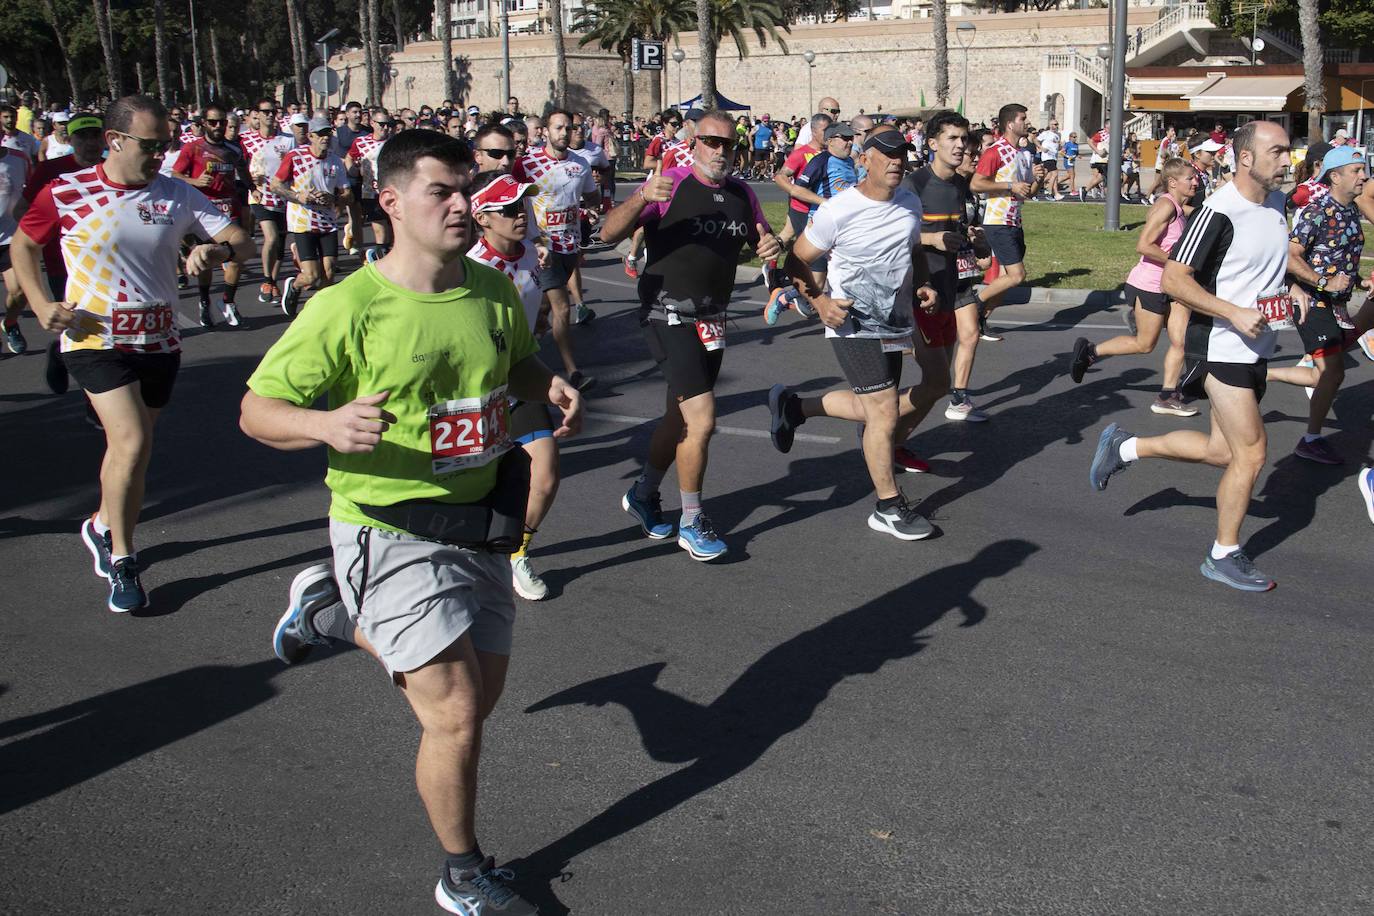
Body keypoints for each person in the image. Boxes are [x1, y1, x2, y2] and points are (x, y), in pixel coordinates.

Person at [244, 128, 576, 916]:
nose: (465, 205)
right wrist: (323, 427)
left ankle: (326, 612)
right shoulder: (349, 305)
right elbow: (256, 409)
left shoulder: (492, 289)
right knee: (455, 712)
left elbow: (515, 361)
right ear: (391, 202)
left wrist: (548, 383)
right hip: (386, 525)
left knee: (475, 705)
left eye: (470, 189)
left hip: (481, 518)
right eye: (444, 192)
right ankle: (462, 872)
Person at [11, 94, 251, 612]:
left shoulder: (177, 195)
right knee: (132, 440)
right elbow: (24, 246)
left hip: (160, 341)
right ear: (115, 140)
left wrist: (217, 249)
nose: (160, 154)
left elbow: (240, 238)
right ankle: (123, 558)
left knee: (133, 452)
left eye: (165, 144)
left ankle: (101, 524)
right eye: (150, 145)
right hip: (93, 338)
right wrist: (39, 302)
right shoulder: (67, 191)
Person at [1088, 120, 1297, 592]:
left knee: (1221, 452)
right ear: (1245, 158)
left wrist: (1301, 287)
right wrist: (1233, 313)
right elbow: (1175, 280)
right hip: (1221, 346)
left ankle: (1123, 447)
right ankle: (1224, 553)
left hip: (1257, 344)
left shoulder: (1277, 203)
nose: (1288, 160)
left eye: (1289, 151)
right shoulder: (1217, 212)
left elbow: (1271, 259)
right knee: (1253, 453)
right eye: (1278, 151)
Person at [601, 110, 780, 561]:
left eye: (729, 144)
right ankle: (692, 519)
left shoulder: (741, 193)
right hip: (666, 315)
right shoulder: (672, 183)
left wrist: (772, 247)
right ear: (694, 142)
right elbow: (606, 234)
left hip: (712, 321)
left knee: (678, 419)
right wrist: (642, 196)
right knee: (702, 419)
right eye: (711, 142)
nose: (721, 151)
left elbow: (765, 238)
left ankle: (643, 494)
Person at [767, 127, 938, 541]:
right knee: (883, 412)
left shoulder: (910, 203)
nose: (897, 161)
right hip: (852, 322)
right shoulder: (839, 209)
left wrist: (922, 284)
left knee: (877, 410)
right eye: (887, 154)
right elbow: (797, 261)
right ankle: (887, 506)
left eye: (902, 154)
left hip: (894, 322)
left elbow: (912, 249)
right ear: (865, 159)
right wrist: (821, 303)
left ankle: (796, 408)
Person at [466, 171, 561, 600]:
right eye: (506, 209)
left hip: (521, 378)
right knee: (473, 484)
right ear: (482, 217)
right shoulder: (470, 269)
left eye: (521, 206)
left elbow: (533, 314)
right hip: (474, 392)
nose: (517, 215)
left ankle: (517, 551)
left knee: (545, 474)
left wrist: (538, 321)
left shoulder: (529, 256)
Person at [896, 110, 991, 472]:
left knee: (936, 382)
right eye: (951, 138)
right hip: (918, 292)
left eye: (963, 139)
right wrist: (931, 238)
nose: (960, 145)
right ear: (932, 143)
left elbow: (962, 232)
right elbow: (892, 234)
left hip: (950, 291)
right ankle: (878, 428)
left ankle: (895, 442)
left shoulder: (959, 186)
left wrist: (975, 244)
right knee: (936, 382)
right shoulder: (914, 185)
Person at [1069, 157, 1198, 417]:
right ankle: (1091, 351)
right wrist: (1178, 262)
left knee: (1180, 340)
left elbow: (1197, 214)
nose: (1196, 181)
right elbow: (1144, 245)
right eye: (1190, 178)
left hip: (1173, 285)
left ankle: (1167, 396)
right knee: (1144, 344)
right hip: (1149, 284)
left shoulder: (1178, 207)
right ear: (1172, 182)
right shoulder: (1166, 207)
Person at [1264, 146, 1367, 464]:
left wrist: (1359, 280)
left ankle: (1258, 372)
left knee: (1325, 375)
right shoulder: (1318, 208)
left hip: (1336, 304)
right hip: (1311, 300)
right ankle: (1311, 439)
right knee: (1332, 373)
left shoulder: (1350, 209)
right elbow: (1290, 255)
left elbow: (1339, 253)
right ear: (1335, 177)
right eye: (1356, 171)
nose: (1364, 176)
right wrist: (1322, 283)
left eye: (1364, 170)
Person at [511, 109, 600, 391]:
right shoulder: (526, 164)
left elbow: (590, 195)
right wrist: (530, 237)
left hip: (569, 245)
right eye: (558, 128)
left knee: (544, 309)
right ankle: (572, 372)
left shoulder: (580, 164)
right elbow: (511, 198)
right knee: (562, 308)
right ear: (545, 132)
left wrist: (591, 210)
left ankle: (526, 343)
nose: (564, 133)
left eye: (568, 128)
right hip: (541, 248)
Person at [21, 111, 107, 394]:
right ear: (70, 139)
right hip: (63, 263)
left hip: (107, 263)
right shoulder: (50, 171)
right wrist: (40, 236)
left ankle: (98, 396)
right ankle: (62, 357)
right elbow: (22, 210)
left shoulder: (112, 169)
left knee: (101, 333)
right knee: (81, 328)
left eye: (95, 135)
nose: (90, 142)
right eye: (82, 136)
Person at [969, 103, 1044, 357]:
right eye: (1023, 118)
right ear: (1010, 123)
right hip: (997, 220)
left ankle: (980, 321)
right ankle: (975, 305)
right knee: (1017, 275)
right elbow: (977, 183)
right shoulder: (996, 151)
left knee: (1006, 281)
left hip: (1015, 221)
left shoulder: (1022, 153)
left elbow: (1028, 193)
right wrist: (1009, 184)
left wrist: (1037, 180)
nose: (1027, 122)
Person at [171, 101, 252, 327]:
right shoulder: (192, 149)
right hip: (204, 212)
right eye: (213, 122)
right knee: (206, 260)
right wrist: (195, 181)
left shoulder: (234, 149)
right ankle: (204, 301)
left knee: (236, 256)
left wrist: (254, 188)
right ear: (204, 123)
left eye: (222, 122)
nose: (218, 126)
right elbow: (175, 175)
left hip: (230, 208)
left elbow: (244, 172)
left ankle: (228, 301)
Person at [272, 115, 352, 316]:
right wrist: (299, 196)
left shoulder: (335, 161)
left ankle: (321, 314)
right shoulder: (295, 156)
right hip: (303, 222)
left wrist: (333, 199)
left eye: (328, 133)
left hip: (327, 222)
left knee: (329, 271)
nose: (325, 138)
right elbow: (275, 185)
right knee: (311, 276)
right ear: (311, 136)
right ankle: (295, 286)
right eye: (321, 134)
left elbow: (347, 193)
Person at [774, 113, 832, 246]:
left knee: (787, 236)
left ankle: (772, 262)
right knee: (808, 248)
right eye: (825, 131)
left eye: (830, 131)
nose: (828, 135)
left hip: (823, 209)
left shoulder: (830, 153)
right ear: (813, 131)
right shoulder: (801, 153)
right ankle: (772, 262)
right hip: (802, 210)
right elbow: (780, 176)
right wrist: (794, 190)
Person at [345, 109, 395, 261]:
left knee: (394, 233)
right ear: (372, 123)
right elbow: (349, 156)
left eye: (388, 124)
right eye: (382, 124)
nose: (386, 128)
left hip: (393, 193)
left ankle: (385, 258)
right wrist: (352, 171)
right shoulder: (361, 142)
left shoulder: (394, 142)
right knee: (380, 232)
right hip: (370, 193)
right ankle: (381, 261)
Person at [0, 141, 31, 355]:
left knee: (20, 292)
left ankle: (10, 323)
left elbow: (32, 191)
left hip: (11, 238)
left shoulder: (19, 159)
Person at [1185, 135, 1221, 207]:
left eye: (1215, 151)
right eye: (1211, 152)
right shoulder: (1190, 176)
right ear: (1197, 154)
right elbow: (1180, 205)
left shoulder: (1203, 173)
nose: (1216, 155)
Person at [1035, 119, 1064, 201]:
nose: (1056, 126)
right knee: (1055, 173)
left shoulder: (1058, 135)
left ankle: (1035, 189)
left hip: (1054, 157)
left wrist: (1061, 146)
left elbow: (1057, 147)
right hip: (1047, 156)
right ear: (1050, 125)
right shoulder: (1046, 133)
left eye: (1057, 124)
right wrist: (1041, 148)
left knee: (1044, 176)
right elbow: (1036, 140)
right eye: (1054, 124)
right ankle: (1048, 191)